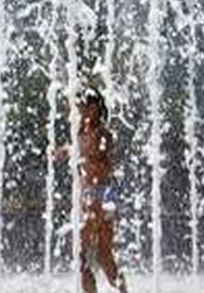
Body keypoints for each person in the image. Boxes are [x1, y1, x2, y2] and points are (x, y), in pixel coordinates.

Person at [60, 88, 128, 293]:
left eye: (84, 105)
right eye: (79, 106)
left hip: (101, 194)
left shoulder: (103, 134)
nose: (80, 109)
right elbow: (78, 149)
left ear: (96, 107)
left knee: (83, 254)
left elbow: (107, 164)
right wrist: (61, 152)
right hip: (92, 194)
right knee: (103, 255)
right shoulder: (83, 130)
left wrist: (88, 159)